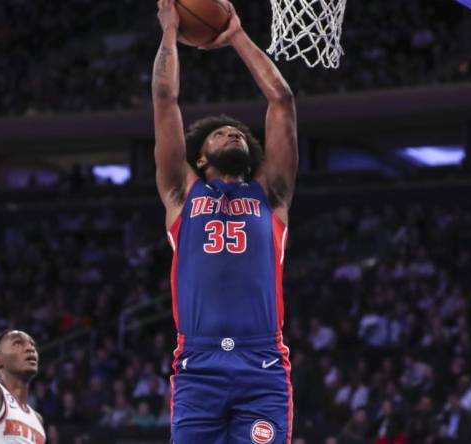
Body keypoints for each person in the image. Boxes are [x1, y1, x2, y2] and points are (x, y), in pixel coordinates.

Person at [152, 0, 298, 442]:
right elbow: (165, 97)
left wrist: (235, 34)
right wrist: (170, 29)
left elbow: (282, 100)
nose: (232, 132)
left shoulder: (271, 193)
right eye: (220, 133)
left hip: (263, 363)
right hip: (199, 366)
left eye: (237, 133)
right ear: (200, 157)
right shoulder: (182, 191)